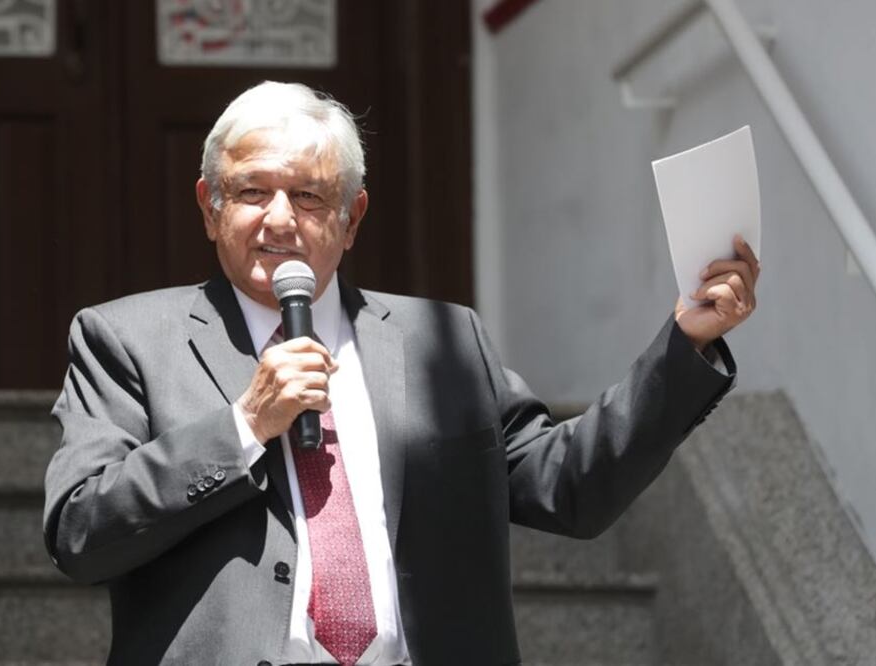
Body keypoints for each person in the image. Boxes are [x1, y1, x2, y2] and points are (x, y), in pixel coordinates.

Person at [43, 81, 760, 666]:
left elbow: (568, 487)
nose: (279, 220)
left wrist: (684, 344)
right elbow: (81, 533)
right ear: (210, 207)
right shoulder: (126, 340)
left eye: (310, 197)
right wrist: (243, 426)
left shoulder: (441, 339)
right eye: (253, 193)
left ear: (352, 219)